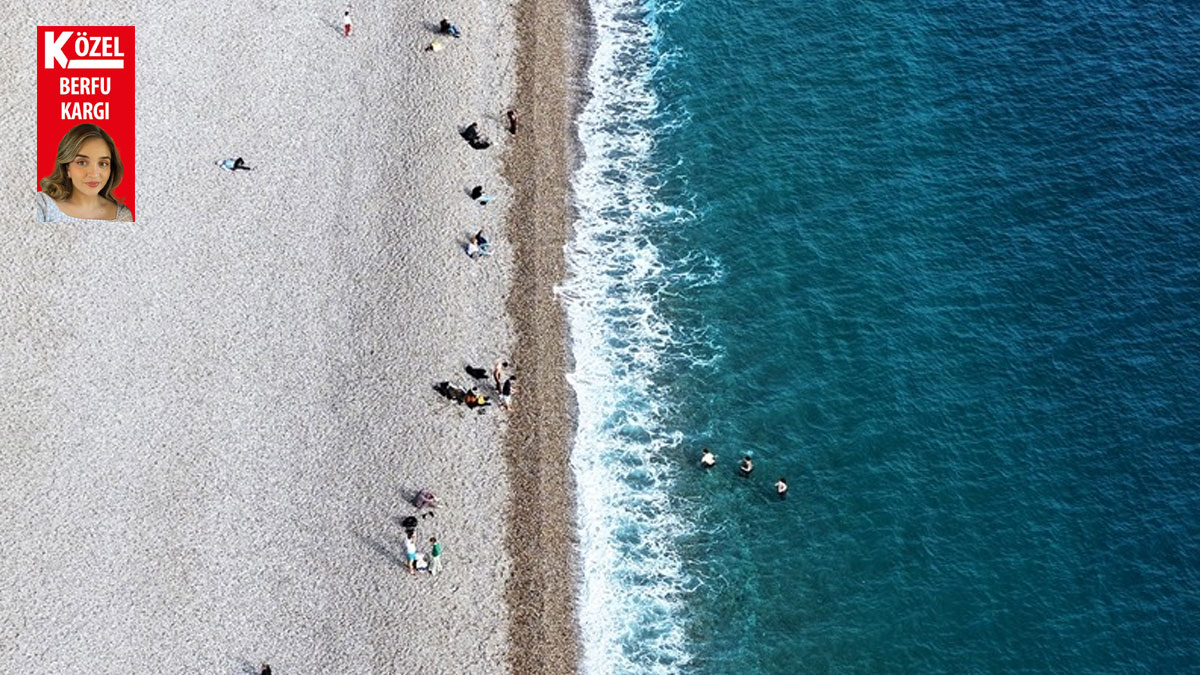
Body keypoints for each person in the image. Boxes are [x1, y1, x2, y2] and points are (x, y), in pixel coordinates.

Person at [37, 123, 133, 222]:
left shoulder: (122, 216)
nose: (94, 174)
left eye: (103, 164)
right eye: (82, 162)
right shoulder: (43, 205)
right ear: (67, 169)